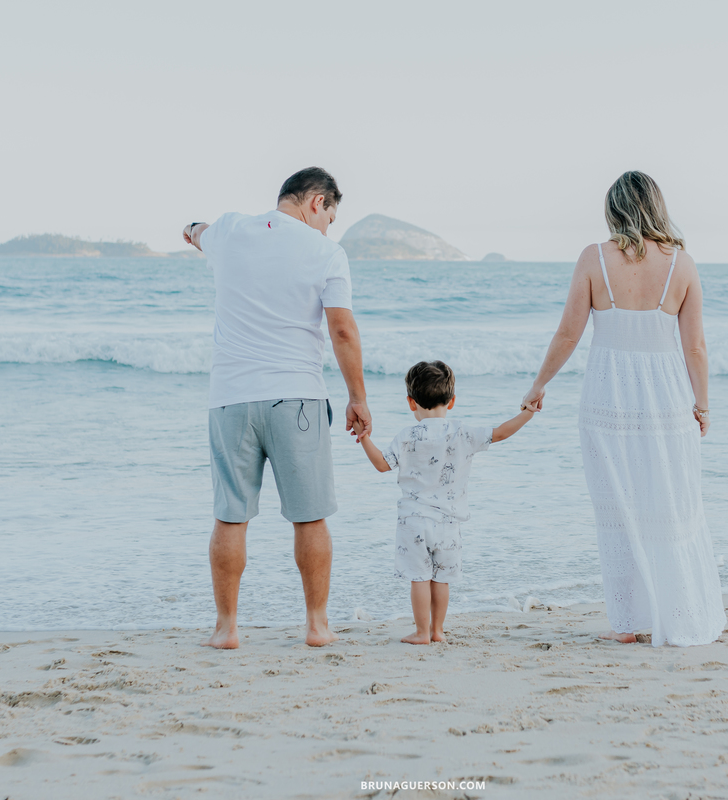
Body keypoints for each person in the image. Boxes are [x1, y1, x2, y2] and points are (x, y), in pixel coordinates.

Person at [522, 171, 727, 647]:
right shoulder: (683, 264)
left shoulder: (594, 258)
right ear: (656, 206)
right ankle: (678, 614)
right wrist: (703, 405)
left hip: (607, 398)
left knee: (617, 509)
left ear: (614, 208)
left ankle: (632, 624)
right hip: (667, 399)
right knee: (671, 506)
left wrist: (539, 385)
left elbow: (568, 334)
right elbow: (695, 347)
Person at [182, 166, 371, 649]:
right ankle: (316, 625)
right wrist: (358, 398)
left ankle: (226, 629)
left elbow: (194, 230)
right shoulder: (326, 251)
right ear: (316, 202)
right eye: (331, 215)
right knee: (310, 516)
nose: (330, 227)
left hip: (230, 399)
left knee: (230, 515)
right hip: (298, 398)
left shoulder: (229, 230)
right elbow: (343, 330)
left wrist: (192, 230)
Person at [358, 360, 536, 645]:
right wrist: (527, 414)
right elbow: (500, 432)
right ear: (451, 401)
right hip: (449, 522)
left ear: (410, 402)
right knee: (441, 580)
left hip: (413, 521)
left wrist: (364, 436)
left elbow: (382, 464)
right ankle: (438, 631)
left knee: (419, 578)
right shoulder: (462, 432)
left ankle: (420, 632)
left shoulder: (406, 436)